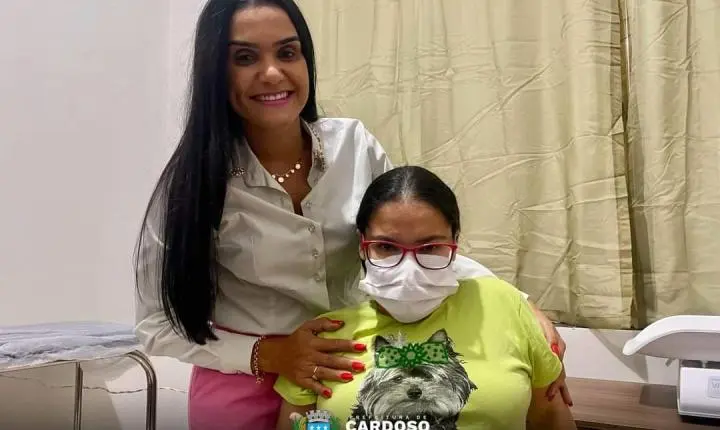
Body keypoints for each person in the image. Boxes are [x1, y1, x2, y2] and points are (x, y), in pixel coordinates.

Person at [133, 0, 569, 428]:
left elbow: (410, 240)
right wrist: (270, 354)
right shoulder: (192, 183)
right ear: (215, 71)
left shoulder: (353, 145)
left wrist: (520, 306)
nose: (272, 73)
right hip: (245, 383)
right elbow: (155, 326)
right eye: (245, 58)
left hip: (349, 373)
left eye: (288, 52)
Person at [275, 166, 576, 430]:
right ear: (362, 246)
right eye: (387, 247)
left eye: (430, 248)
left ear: (455, 243)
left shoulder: (506, 306)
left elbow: (550, 417)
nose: (409, 270)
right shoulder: (325, 335)